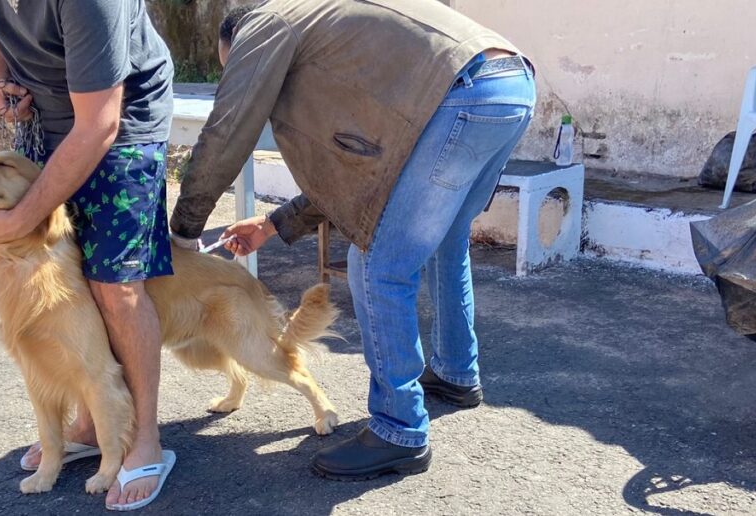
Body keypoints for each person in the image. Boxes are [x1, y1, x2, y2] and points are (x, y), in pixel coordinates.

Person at [170, 0, 536, 480]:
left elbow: (228, 128)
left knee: (377, 264)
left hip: (461, 92)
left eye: (233, 64)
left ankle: (399, 430)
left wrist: (183, 230)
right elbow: (357, 175)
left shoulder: (264, 24)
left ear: (238, 41)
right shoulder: (330, 32)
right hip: (509, 83)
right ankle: (456, 373)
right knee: (446, 242)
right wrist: (273, 224)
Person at [0, 0, 176, 509]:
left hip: (121, 123)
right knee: (64, 286)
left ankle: (145, 439)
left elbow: (99, 123)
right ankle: (90, 423)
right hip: (51, 117)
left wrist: (21, 218)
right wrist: (1, 75)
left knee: (114, 285)